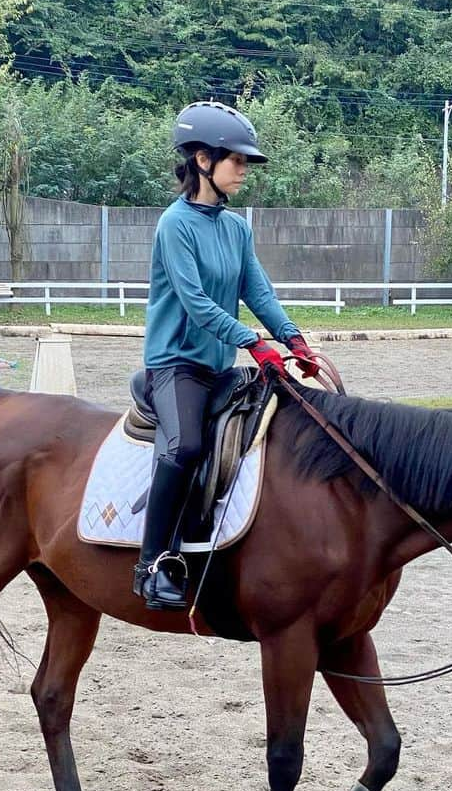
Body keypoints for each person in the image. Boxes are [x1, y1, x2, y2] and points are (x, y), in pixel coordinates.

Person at [134, 100, 321, 610]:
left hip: (218, 366)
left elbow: (257, 292)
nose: (244, 170)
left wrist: (293, 338)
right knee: (185, 449)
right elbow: (194, 304)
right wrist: (252, 342)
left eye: (244, 162)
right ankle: (152, 565)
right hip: (176, 365)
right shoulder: (174, 225)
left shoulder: (236, 228)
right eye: (236, 160)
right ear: (202, 160)